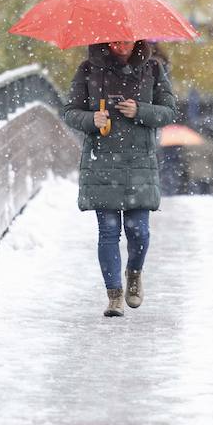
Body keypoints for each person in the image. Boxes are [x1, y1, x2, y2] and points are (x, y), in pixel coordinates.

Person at [61, 40, 178, 317]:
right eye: (114, 38)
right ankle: (114, 295)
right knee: (109, 232)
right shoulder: (89, 69)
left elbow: (170, 111)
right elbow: (70, 112)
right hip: (102, 162)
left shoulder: (152, 69)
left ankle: (134, 273)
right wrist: (92, 120)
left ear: (137, 37)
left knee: (139, 230)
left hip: (140, 162)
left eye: (126, 37)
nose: (120, 43)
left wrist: (140, 111)